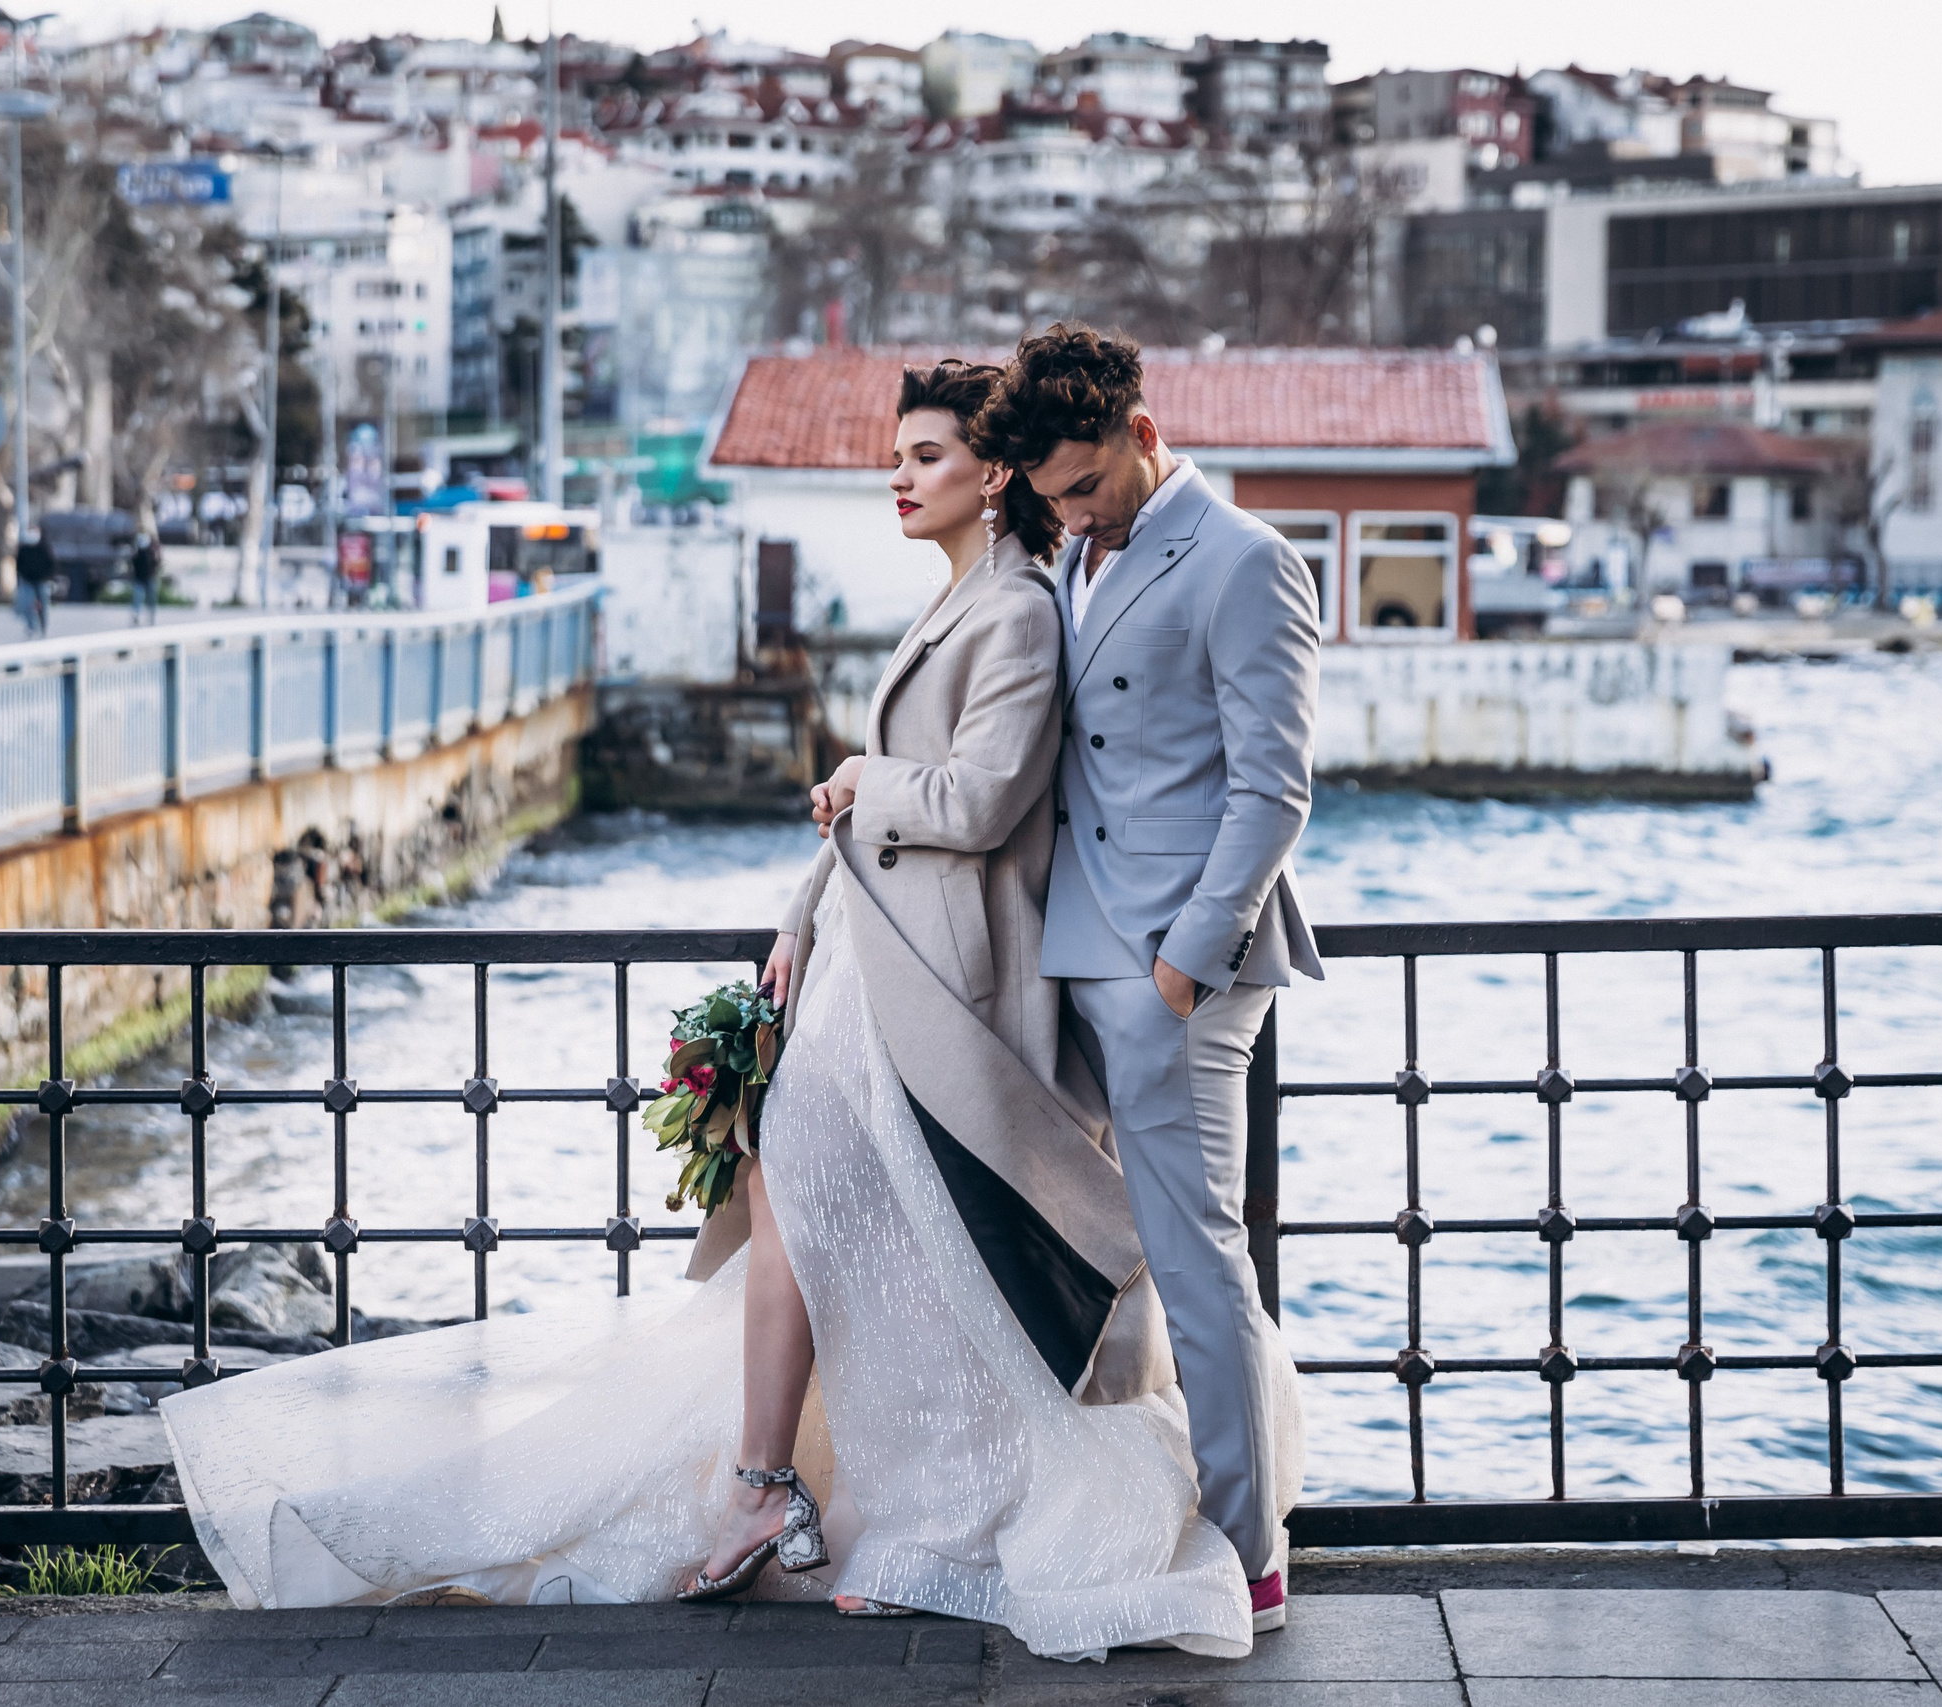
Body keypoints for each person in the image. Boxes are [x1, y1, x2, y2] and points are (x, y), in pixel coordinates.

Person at [160, 360, 1275, 1659]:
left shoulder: (1024, 603)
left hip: (939, 982)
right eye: (898, 453)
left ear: (993, 473)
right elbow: (913, 802)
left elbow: (982, 802)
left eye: (926, 454)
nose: (899, 475)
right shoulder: (986, 593)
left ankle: (841, 1494)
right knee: (833, 1211)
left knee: (873, 1219)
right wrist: (802, 917)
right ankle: (806, 1485)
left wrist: (866, 781)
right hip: (879, 959)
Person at [978, 324, 1321, 1638]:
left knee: (1197, 1256)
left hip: (1172, 965)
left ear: (1142, 430)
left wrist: (1188, 958)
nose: (1068, 510)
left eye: (1082, 483)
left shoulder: (1242, 556)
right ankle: (1115, 1500)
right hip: (1072, 949)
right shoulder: (1069, 551)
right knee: (1082, 1241)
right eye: (1050, 494)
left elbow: (1274, 783)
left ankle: (1251, 1545)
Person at [14, 527, 55, 638]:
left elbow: (50, 563)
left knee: (44, 604)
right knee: (28, 604)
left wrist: (47, 577)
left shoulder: (44, 547)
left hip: (42, 581)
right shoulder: (24, 549)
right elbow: (19, 565)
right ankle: (31, 627)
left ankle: (44, 627)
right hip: (28, 581)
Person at [128, 533, 163, 627]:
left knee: (151, 599)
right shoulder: (136, 554)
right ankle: (137, 615)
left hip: (149, 579)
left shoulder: (151, 553)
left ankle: (151, 615)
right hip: (140, 579)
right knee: (138, 599)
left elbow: (156, 564)